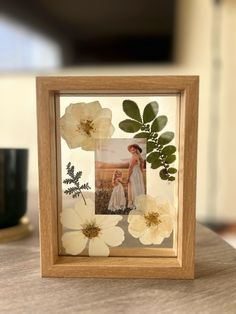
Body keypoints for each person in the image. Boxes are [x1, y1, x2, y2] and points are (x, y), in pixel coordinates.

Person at [127, 144, 145, 208]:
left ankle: (135, 203)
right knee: (138, 187)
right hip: (138, 173)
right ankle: (139, 202)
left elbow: (130, 168)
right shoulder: (139, 157)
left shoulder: (134, 157)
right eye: (131, 149)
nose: (132, 149)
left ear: (136, 150)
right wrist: (140, 173)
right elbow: (141, 168)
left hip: (134, 173)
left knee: (133, 187)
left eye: (133, 148)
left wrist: (128, 177)